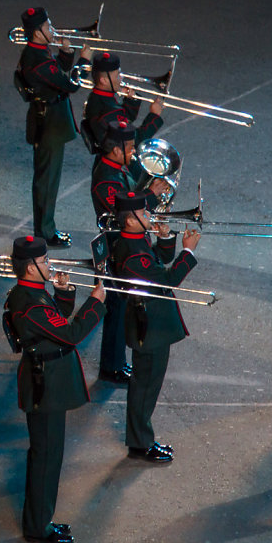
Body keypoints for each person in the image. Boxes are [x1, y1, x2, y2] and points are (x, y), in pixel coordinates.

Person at [4, 235, 105, 543]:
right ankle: (37, 527)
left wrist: (63, 294)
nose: (49, 265)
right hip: (44, 385)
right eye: (45, 261)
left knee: (48, 456)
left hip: (47, 380)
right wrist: (95, 303)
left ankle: (40, 519)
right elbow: (71, 333)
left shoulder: (31, 293)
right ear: (30, 268)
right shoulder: (30, 304)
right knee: (46, 458)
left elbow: (55, 323)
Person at [111, 192, 200, 464]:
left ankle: (141, 437)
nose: (150, 217)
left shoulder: (135, 241)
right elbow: (167, 279)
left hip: (150, 321)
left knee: (147, 385)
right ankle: (140, 442)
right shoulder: (133, 254)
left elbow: (157, 263)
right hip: (148, 326)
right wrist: (188, 251)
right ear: (129, 221)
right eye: (144, 214)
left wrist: (164, 239)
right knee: (145, 387)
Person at [89, 120, 171, 384]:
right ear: (115, 151)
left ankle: (116, 362)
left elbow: (131, 193)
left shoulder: (117, 168)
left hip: (123, 244)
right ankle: (110, 367)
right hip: (116, 249)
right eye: (130, 148)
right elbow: (123, 211)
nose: (134, 153)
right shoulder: (105, 179)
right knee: (116, 310)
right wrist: (150, 195)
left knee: (120, 309)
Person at [15, 7, 90, 248]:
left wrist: (66, 54)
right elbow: (68, 84)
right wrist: (84, 61)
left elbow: (56, 71)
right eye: (47, 27)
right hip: (48, 125)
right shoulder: (35, 59)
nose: (52, 30)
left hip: (50, 120)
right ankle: (45, 233)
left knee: (48, 179)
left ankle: (46, 228)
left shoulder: (39, 52)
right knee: (47, 181)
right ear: (36, 33)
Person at [81, 51, 163, 155]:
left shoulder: (97, 97)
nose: (121, 78)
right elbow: (135, 140)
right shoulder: (108, 109)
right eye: (117, 75)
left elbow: (124, 119)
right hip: (119, 158)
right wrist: (154, 115)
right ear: (104, 81)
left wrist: (131, 100)